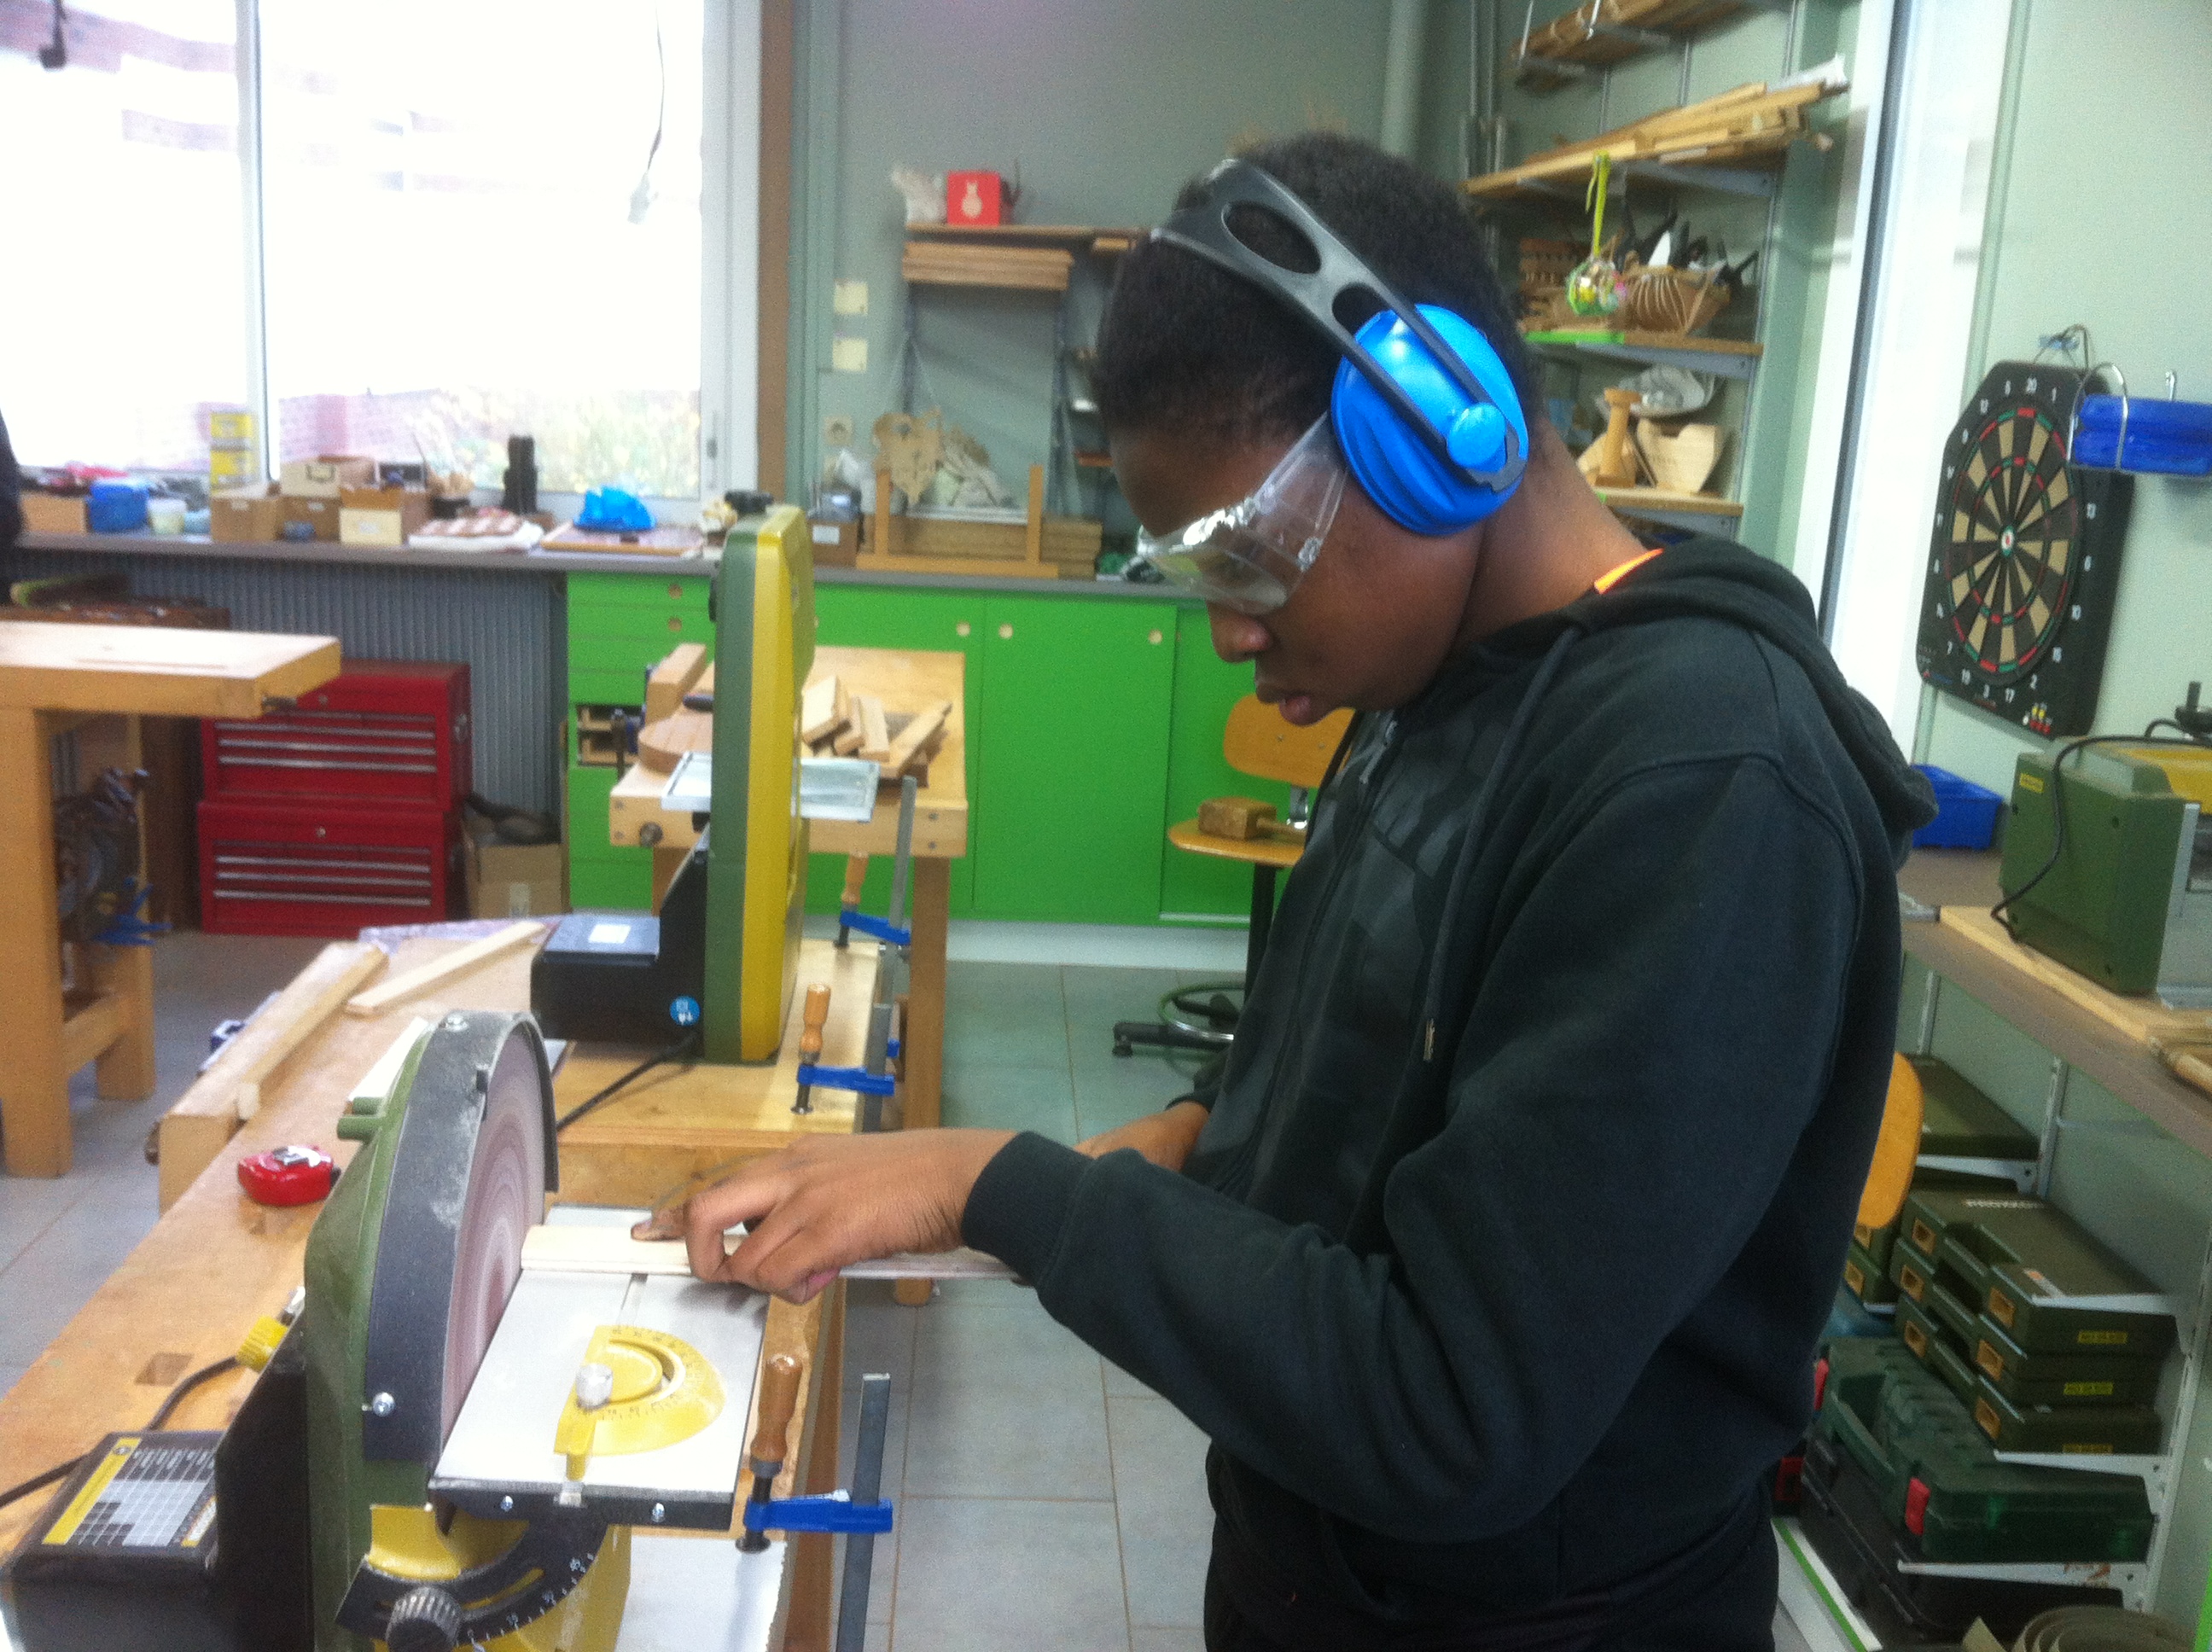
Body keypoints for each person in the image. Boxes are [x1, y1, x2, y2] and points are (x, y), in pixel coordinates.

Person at [643, 132, 1934, 1650]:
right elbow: (1372, 1064)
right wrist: (1201, 1138)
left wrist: (1000, 1184)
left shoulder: (1704, 788)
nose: (1230, 634)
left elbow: (1450, 1409)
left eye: (1249, 559)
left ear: (1435, 429)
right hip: (1326, 1580)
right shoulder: (1439, 691)